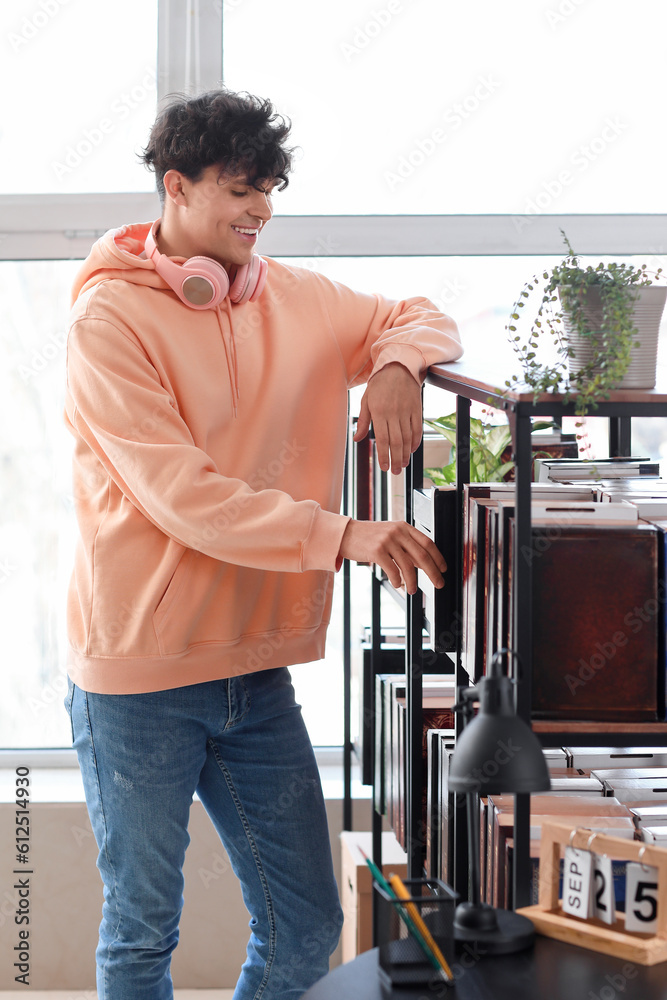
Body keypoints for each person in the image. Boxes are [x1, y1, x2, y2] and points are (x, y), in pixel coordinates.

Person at [63, 88, 463, 1000]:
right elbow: (187, 500)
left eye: (271, 188)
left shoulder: (295, 298)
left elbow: (422, 312)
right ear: (176, 186)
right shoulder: (108, 324)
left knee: (307, 923)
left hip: (253, 674)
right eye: (242, 188)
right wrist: (346, 535)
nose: (262, 210)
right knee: (140, 932)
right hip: (136, 678)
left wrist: (395, 365)